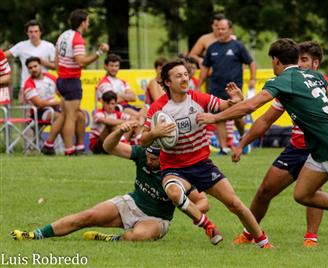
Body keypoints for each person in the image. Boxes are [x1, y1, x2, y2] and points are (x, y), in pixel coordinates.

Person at [197, 38, 328, 249]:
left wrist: (214, 118)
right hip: (319, 148)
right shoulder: (314, 75)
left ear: (276, 60)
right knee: (302, 194)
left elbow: (251, 106)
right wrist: (322, 109)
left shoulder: (281, 81)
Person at [232, 41, 328, 247]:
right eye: (298, 59)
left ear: (316, 63)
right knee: (265, 190)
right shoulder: (290, 83)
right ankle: (250, 233)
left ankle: (311, 237)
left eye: (304, 60)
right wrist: (242, 143)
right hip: (296, 148)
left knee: (311, 194)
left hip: (322, 147)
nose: (299, 64)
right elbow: (266, 120)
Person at [141, 60, 272, 248]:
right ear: (168, 83)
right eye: (178, 76)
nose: (184, 78)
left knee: (235, 204)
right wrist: (154, 133)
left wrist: (237, 101)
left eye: (186, 74)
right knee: (174, 192)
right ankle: (207, 225)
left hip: (202, 164)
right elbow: (143, 140)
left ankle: (263, 242)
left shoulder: (199, 98)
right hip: (174, 167)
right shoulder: (158, 108)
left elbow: (228, 107)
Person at [10, 120, 208, 241]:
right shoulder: (141, 154)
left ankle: (113, 239)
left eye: (153, 159)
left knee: (138, 236)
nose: (148, 160)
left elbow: (203, 201)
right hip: (130, 203)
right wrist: (120, 132)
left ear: (163, 157)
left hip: (157, 220)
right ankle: (36, 234)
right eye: (147, 156)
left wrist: (190, 208)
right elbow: (109, 147)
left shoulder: (176, 173)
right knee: (85, 217)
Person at [197, 18, 256, 154]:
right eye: (218, 28)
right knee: (220, 118)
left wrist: (252, 78)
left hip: (234, 91)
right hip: (216, 88)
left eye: (223, 29)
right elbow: (205, 68)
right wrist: (199, 85)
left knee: (238, 117)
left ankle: (243, 139)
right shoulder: (212, 48)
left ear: (230, 30)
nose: (220, 31)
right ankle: (223, 148)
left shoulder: (238, 46)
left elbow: (251, 62)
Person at [56, 9, 109, 155]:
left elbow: (56, 59)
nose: (89, 24)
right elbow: (80, 62)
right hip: (71, 80)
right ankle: (69, 149)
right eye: (88, 21)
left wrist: (59, 76)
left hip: (62, 78)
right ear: (82, 22)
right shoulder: (77, 39)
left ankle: (75, 147)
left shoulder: (63, 35)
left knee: (70, 115)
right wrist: (99, 52)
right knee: (71, 116)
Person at [22, 57, 85, 155]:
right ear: (28, 70)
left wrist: (72, 105)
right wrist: (61, 103)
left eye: (35, 66)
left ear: (41, 66)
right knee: (60, 116)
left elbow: (62, 94)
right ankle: (65, 147)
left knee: (79, 115)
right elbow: (40, 103)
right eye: (30, 68)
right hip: (39, 112)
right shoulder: (29, 84)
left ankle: (79, 147)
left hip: (56, 108)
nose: (33, 69)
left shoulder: (50, 78)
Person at [4, 20, 56, 89]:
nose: (33, 34)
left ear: (40, 32)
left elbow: (56, 66)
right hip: (26, 86)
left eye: (36, 31)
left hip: (45, 86)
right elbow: (3, 55)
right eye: (30, 32)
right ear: (27, 33)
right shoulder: (21, 46)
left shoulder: (49, 46)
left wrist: (44, 63)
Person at [96, 54, 140, 119]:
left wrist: (120, 95)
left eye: (116, 66)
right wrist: (125, 96)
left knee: (147, 114)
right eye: (111, 66)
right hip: (116, 109)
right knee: (140, 118)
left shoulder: (122, 81)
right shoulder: (104, 82)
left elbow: (133, 97)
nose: (114, 68)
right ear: (106, 66)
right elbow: (112, 100)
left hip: (128, 107)